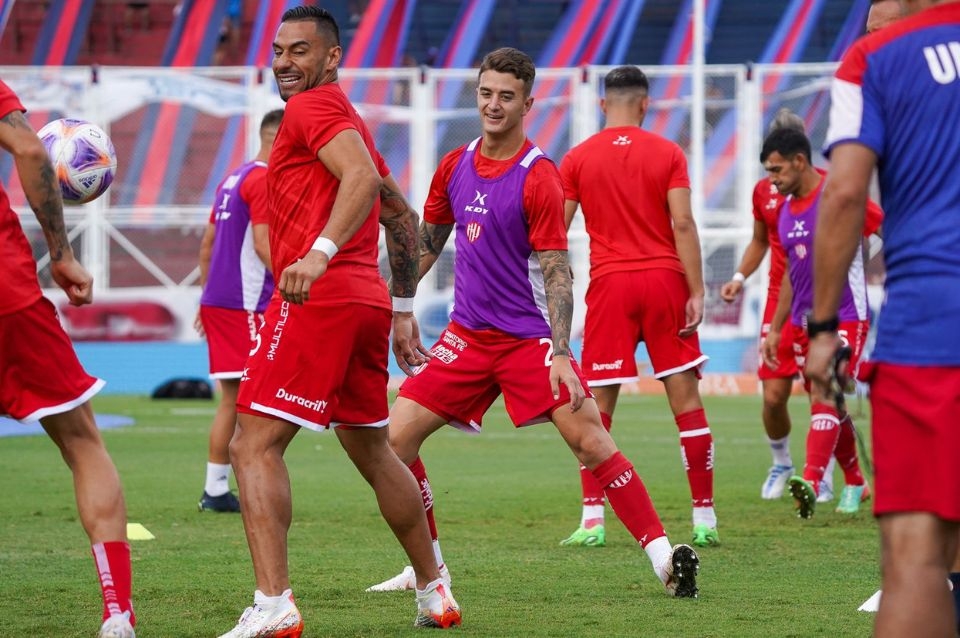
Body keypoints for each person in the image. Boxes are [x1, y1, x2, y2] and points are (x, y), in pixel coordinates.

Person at [367, 48, 701, 598]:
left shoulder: (539, 176)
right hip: (466, 337)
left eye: (506, 96)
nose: (493, 105)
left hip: (528, 340)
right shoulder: (454, 166)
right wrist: (385, 301)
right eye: (486, 93)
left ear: (527, 104)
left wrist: (562, 353)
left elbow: (556, 271)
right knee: (394, 442)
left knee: (591, 441)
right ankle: (429, 569)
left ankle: (665, 560)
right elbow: (426, 246)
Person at [218, 7, 460, 637]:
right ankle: (434, 588)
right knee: (375, 450)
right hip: (363, 301)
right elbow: (400, 215)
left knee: (252, 445)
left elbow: (360, 179)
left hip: (316, 299)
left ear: (331, 58)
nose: (283, 62)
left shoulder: (311, 109)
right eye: (278, 50)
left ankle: (273, 603)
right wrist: (400, 309)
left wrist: (319, 254)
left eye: (299, 50)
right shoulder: (346, 117)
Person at [806, 1, 960, 635]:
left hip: (933, 325)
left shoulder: (874, 59)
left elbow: (844, 193)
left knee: (914, 557)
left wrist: (822, 329)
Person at [558, 65, 718, 549]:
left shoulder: (578, 158)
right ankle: (704, 517)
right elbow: (683, 223)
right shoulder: (668, 152)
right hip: (666, 281)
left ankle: (592, 519)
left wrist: (555, 277)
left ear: (602, 104)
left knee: (595, 408)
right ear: (646, 104)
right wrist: (697, 290)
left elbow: (557, 228)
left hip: (611, 286)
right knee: (686, 404)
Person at [0, 80, 136, 638]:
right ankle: (118, 613)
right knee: (81, 442)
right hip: (6, 294)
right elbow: (31, 149)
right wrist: (61, 254)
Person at [758, 127, 880, 520]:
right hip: (802, 323)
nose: (772, 180)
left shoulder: (837, 193)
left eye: (777, 170)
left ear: (800, 161)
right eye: (768, 172)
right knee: (829, 402)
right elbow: (791, 276)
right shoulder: (786, 210)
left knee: (825, 391)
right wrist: (777, 327)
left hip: (846, 314)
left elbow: (882, 229)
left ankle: (810, 480)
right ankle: (856, 480)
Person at [720, 109, 838, 503]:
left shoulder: (829, 188)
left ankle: (823, 472)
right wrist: (739, 277)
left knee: (822, 387)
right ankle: (782, 462)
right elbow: (760, 241)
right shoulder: (764, 191)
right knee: (773, 396)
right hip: (779, 300)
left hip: (821, 297)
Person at [194, 109, 282, 513]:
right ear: (280, 138)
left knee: (235, 397)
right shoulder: (263, 179)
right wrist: (297, 281)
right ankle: (231, 487)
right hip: (245, 303)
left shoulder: (233, 178)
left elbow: (208, 243)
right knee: (246, 399)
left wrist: (205, 298)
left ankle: (218, 488)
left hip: (222, 300)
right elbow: (263, 245)